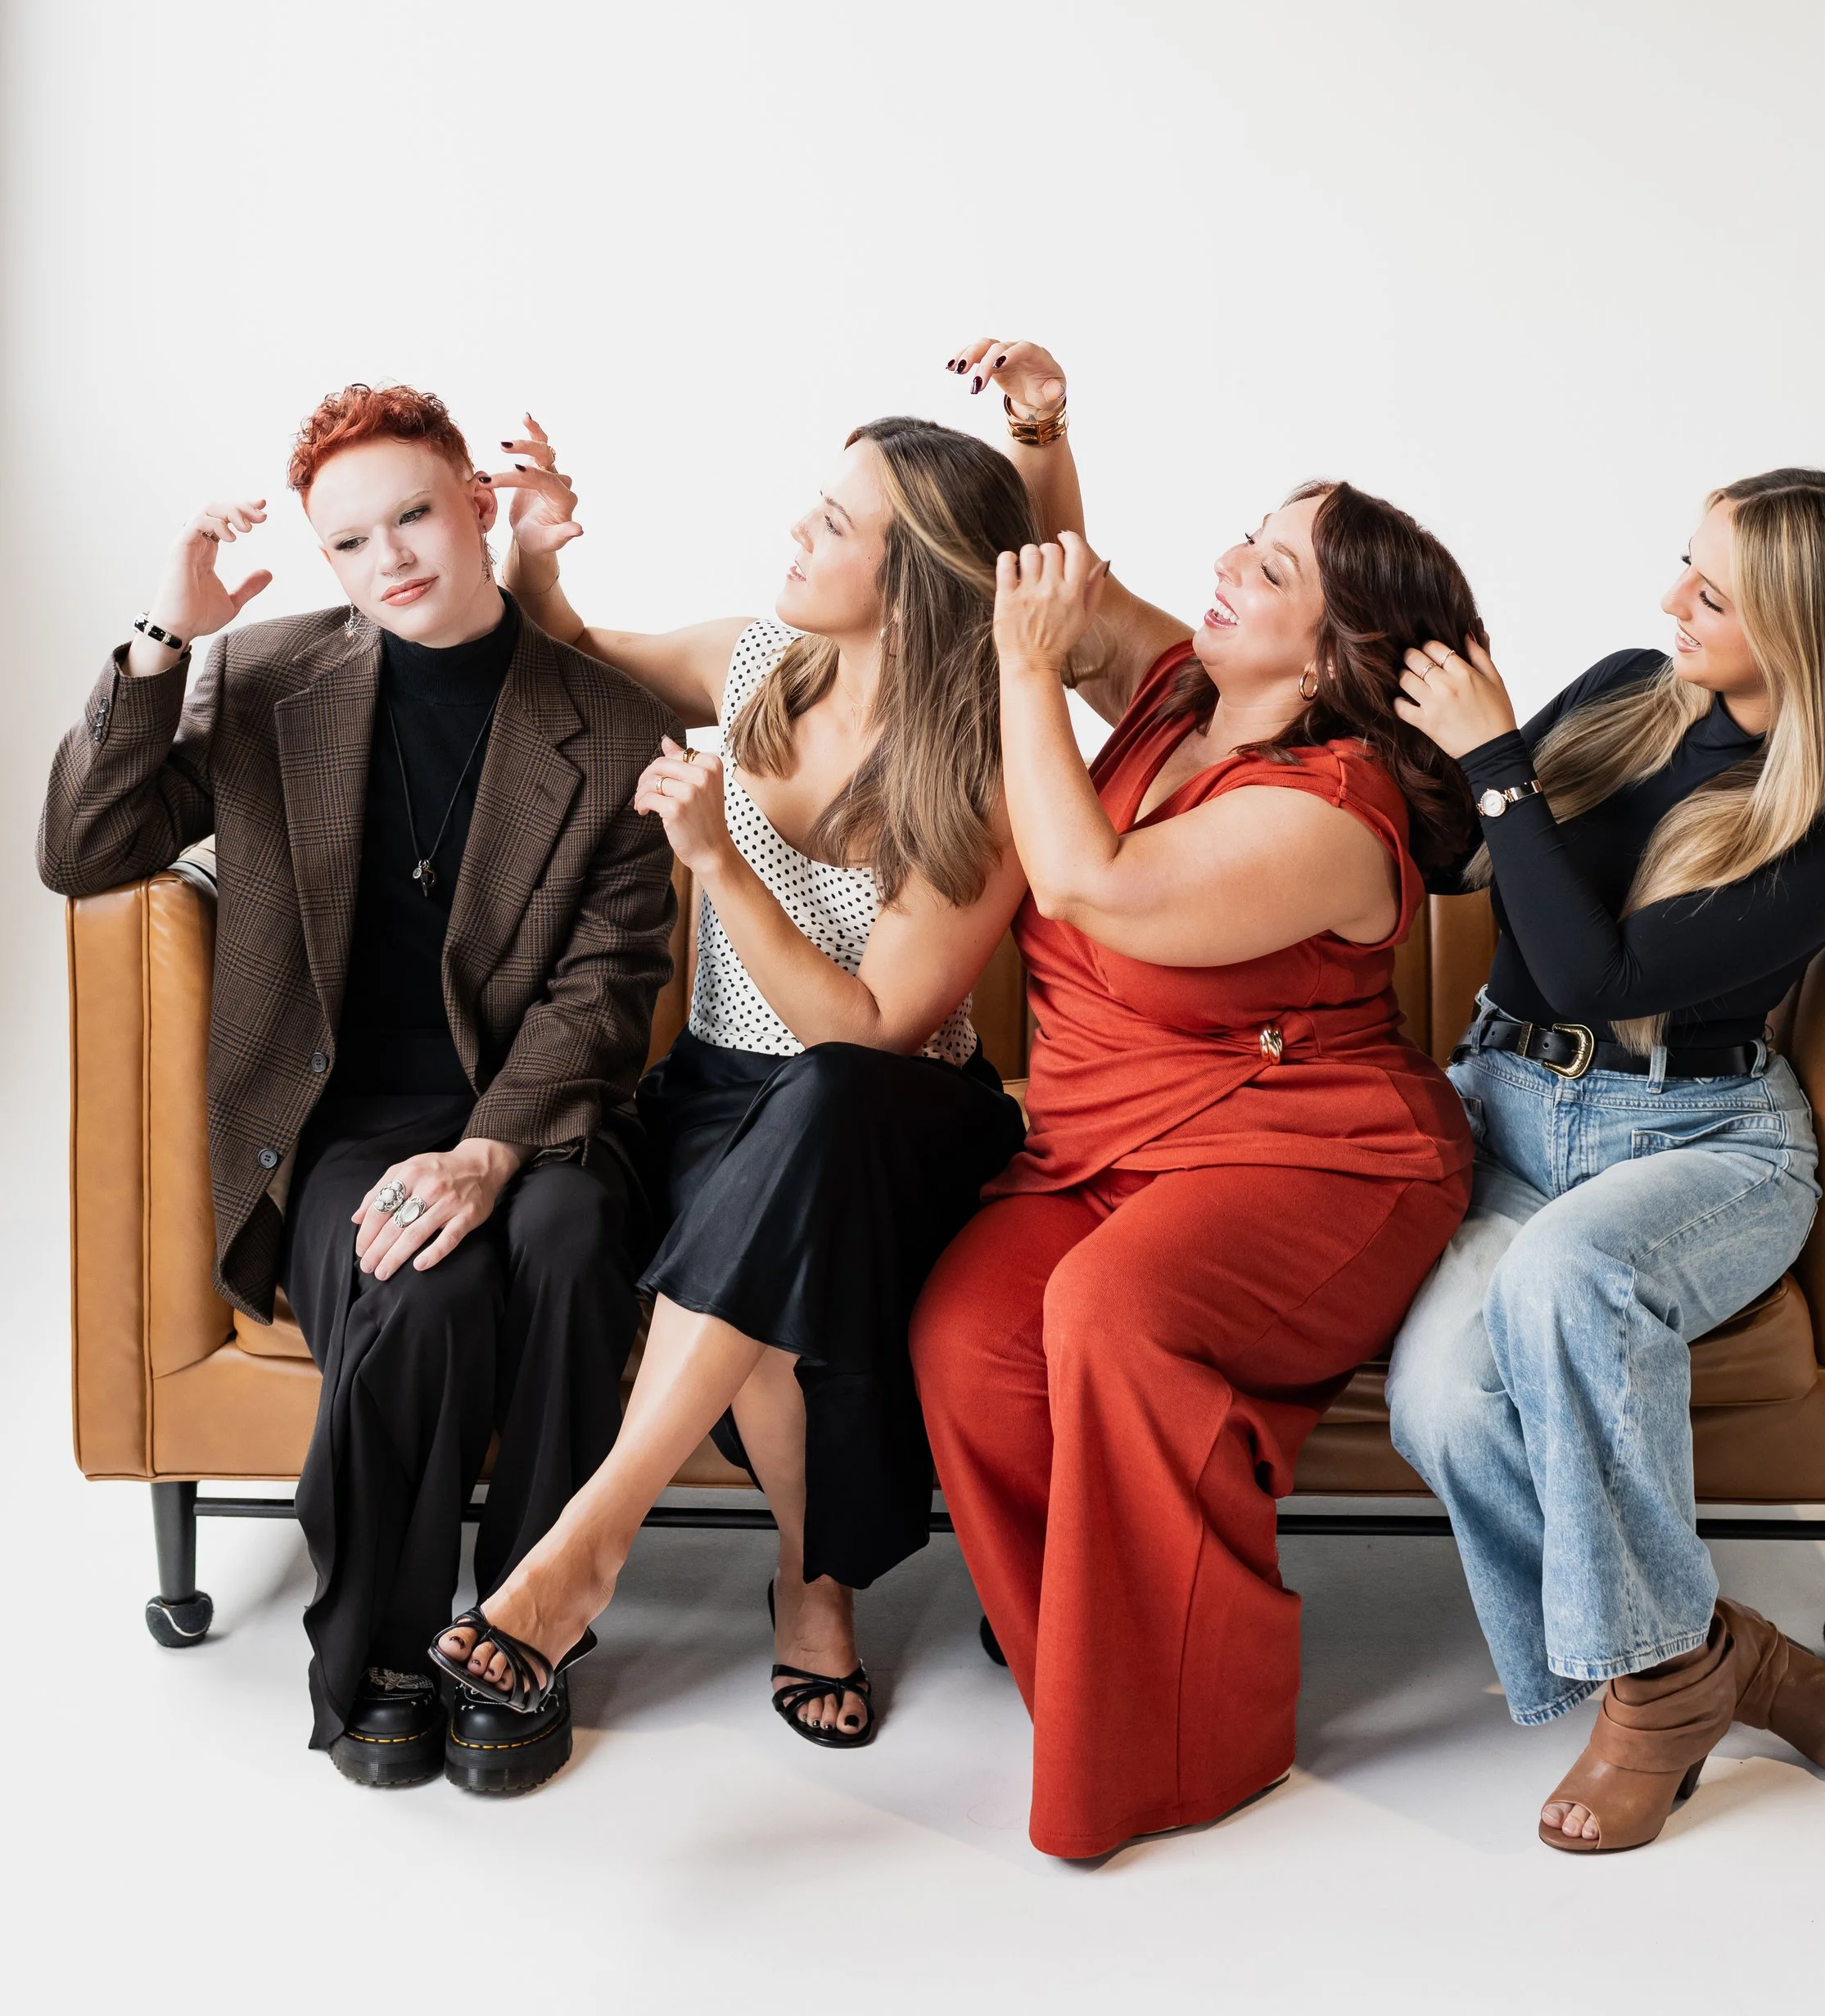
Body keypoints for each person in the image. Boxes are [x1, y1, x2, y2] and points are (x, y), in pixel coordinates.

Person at [38, 384, 677, 1795]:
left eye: (413, 515)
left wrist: (494, 1152)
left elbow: (610, 982)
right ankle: (381, 1653)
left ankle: (526, 1626)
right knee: (424, 1290)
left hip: (543, 1113)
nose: (391, 558)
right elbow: (83, 847)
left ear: (475, 503)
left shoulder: (606, 720)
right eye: (350, 540)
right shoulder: (267, 681)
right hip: (340, 1125)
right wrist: (164, 640)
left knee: (569, 1244)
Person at [908, 336, 1478, 1862]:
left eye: (1274, 562)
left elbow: (1092, 884)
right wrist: (1041, 423)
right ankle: (1092, 1668)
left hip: (1318, 1160)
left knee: (1112, 1311)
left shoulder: (1332, 808)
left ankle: (1188, 1744)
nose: (1228, 560)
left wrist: (1026, 670)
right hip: (1107, 1147)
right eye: (1250, 529)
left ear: (1334, 645)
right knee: (968, 1336)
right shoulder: (1184, 693)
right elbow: (1063, 589)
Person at [431, 412, 1030, 1746]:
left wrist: (719, 864)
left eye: (834, 523)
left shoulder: (979, 768)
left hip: (897, 1114)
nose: (797, 533)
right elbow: (578, 653)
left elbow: (869, 1029)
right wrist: (534, 560)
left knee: (806, 1124)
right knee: (747, 1186)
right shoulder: (763, 663)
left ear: (915, 576)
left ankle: (595, 1535)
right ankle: (807, 1588)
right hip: (723, 1090)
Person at [1384, 468, 1825, 1854]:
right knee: (1438, 1401)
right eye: (1686, 564)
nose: (1668, 600)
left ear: (1803, 631)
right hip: (1506, 1113)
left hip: (1704, 1140)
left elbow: (1588, 974)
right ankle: (1699, 1659)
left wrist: (1499, 761)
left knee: (1565, 1278)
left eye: (1713, 591)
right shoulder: (1630, 690)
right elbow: (1466, 863)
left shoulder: (1823, 839)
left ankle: (1649, 1708)